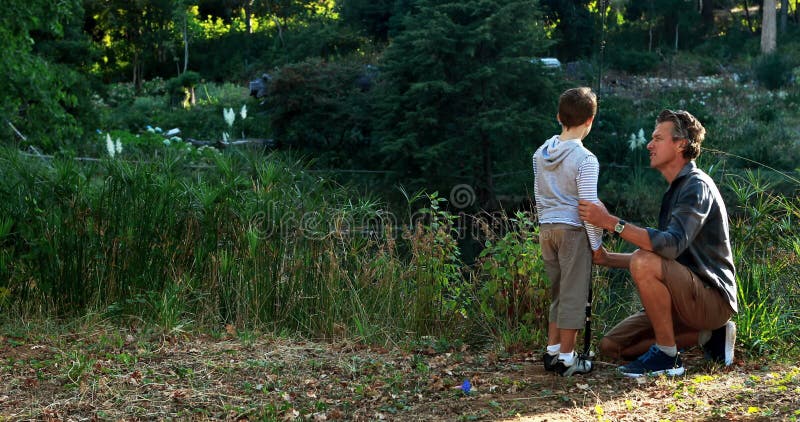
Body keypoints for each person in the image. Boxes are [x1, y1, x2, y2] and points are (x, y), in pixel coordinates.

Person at [578, 109, 737, 378]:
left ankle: (667, 356)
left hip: (712, 299)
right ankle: (706, 337)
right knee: (611, 346)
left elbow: (669, 247)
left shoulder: (696, 187)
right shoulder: (675, 189)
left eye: (657, 138)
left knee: (643, 259)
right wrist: (607, 258)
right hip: (685, 297)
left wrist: (612, 222)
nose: (649, 145)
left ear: (680, 144)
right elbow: (665, 259)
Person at [533, 87, 603, 377]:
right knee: (574, 294)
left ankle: (552, 351)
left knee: (558, 292)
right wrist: (596, 243)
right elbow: (588, 206)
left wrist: (544, 224)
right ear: (590, 120)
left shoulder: (540, 153)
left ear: (559, 116)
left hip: (547, 229)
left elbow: (538, 195)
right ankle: (568, 358)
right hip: (573, 231)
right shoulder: (586, 160)